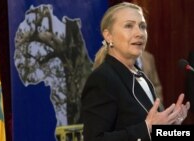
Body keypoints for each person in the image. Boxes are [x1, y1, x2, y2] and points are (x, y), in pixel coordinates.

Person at [80, 2, 190, 141]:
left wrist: (170, 125)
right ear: (108, 36)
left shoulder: (140, 75)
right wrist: (147, 128)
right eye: (128, 26)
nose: (139, 33)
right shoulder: (102, 79)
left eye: (142, 26)